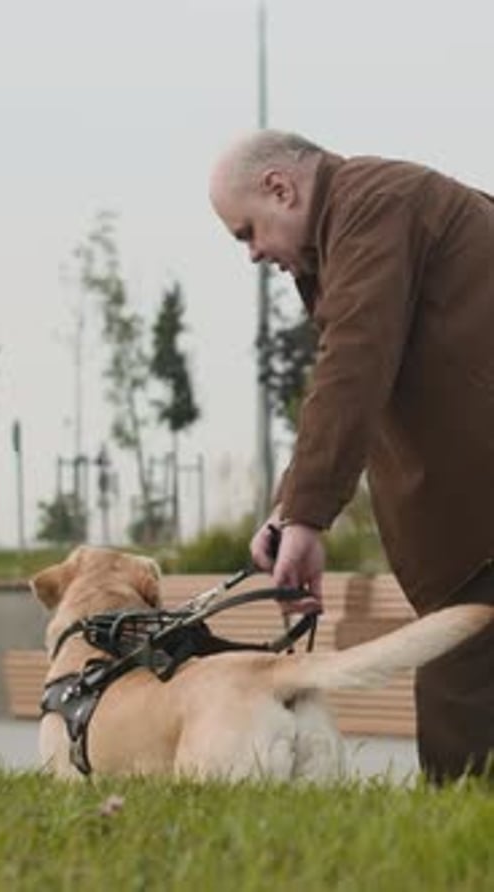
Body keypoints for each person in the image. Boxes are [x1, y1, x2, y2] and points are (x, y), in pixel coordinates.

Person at [209, 129, 494, 783]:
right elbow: (349, 380)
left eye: (246, 232)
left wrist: (305, 517)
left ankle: (457, 863)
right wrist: (291, 507)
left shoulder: (374, 203)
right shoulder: (374, 214)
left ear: (281, 187)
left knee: (463, 709)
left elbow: (356, 362)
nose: (252, 255)